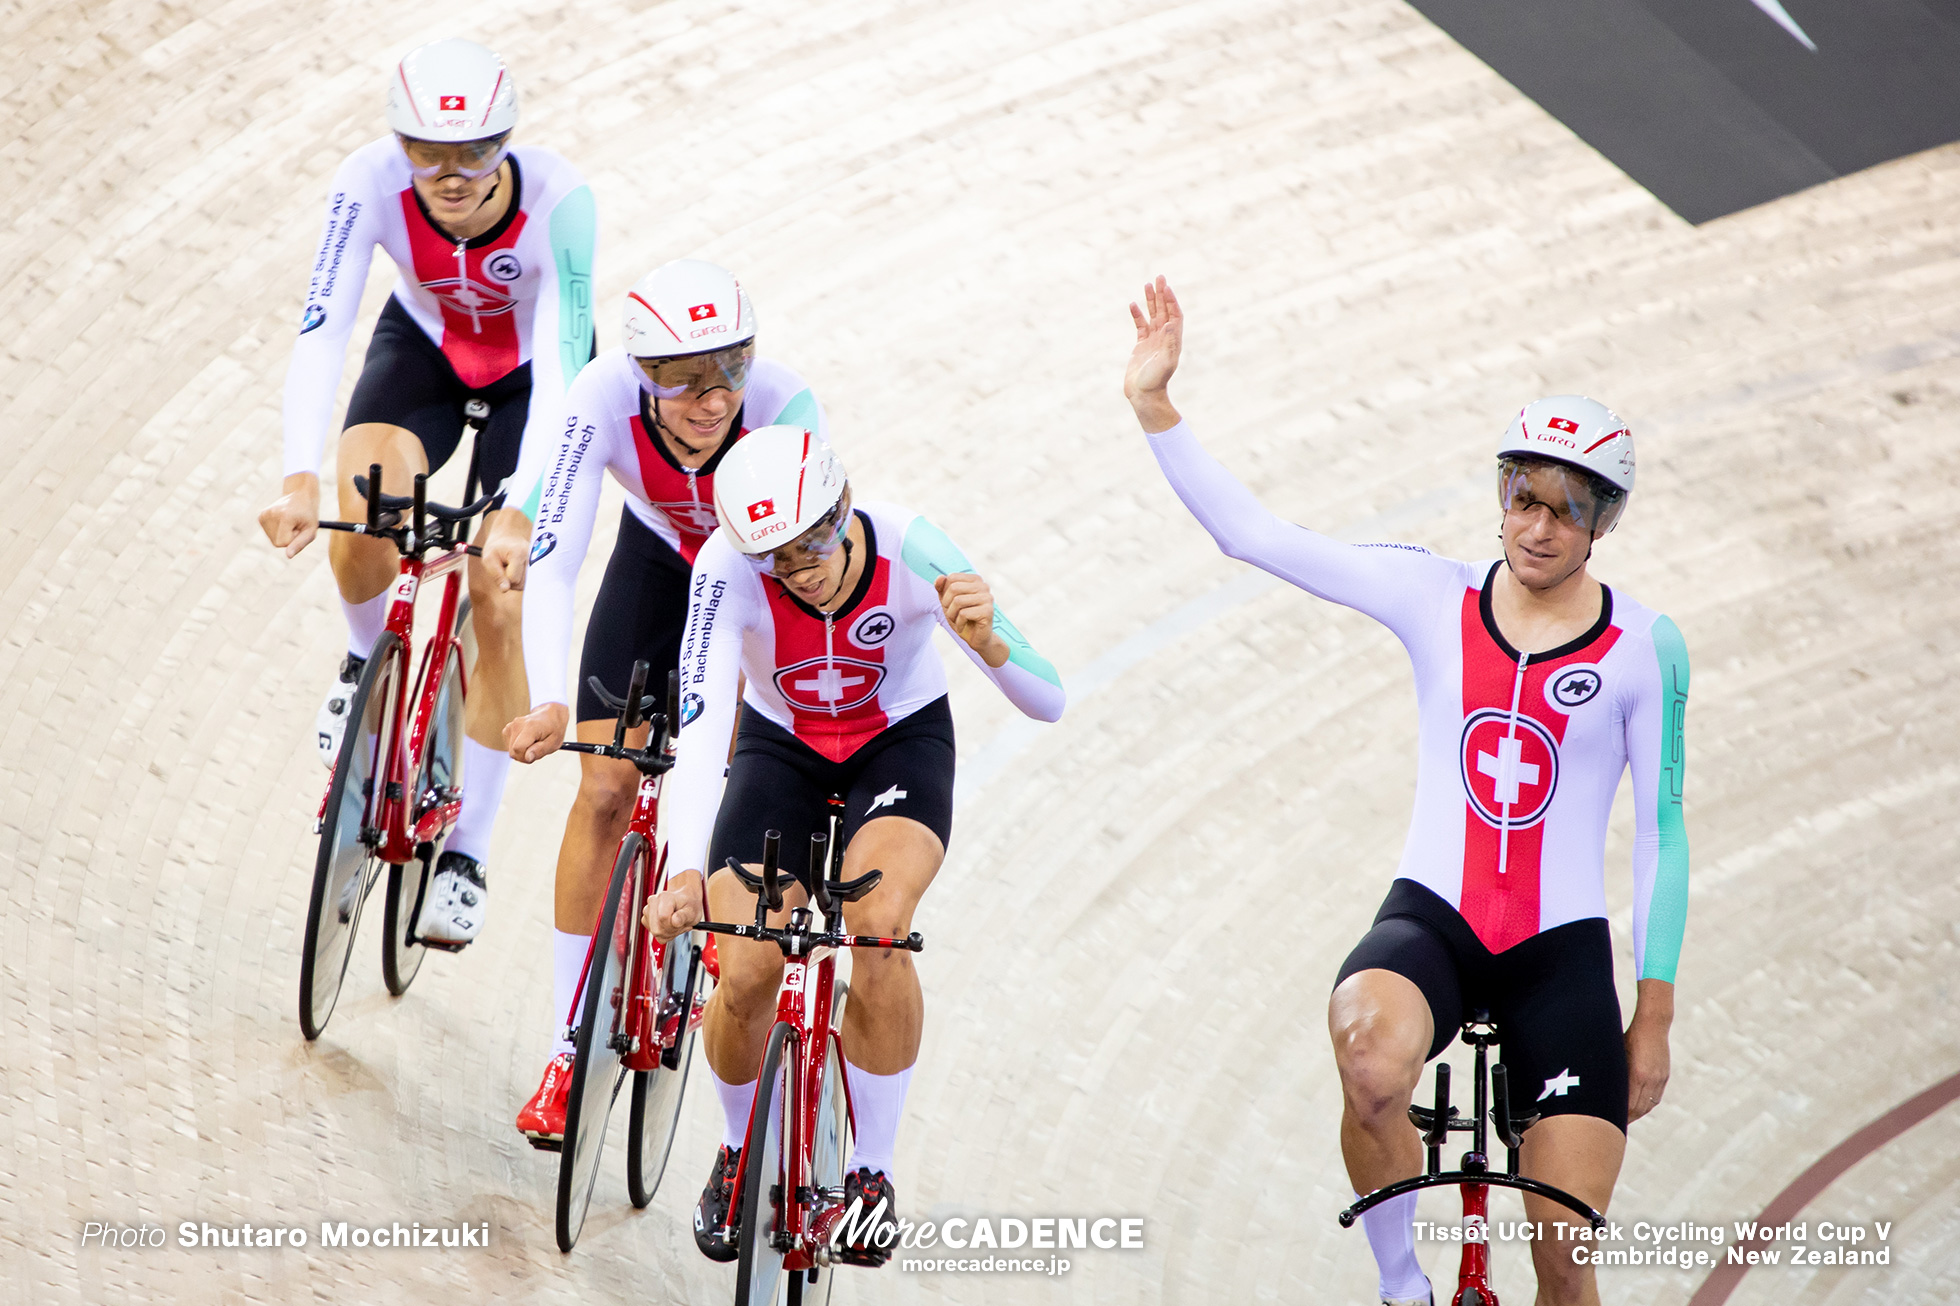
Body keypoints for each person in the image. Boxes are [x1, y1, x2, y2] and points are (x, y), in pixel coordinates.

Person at [1124, 278, 1688, 1306]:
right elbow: (1256, 536)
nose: (1539, 525)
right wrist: (1156, 407)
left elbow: (1662, 834)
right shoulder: (1433, 595)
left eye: (1569, 507)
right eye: (1524, 494)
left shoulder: (1644, 649)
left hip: (1557, 953)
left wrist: (1649, 1017)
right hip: (1436, 916)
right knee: (1368, 1057)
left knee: (1564, 1249)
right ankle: (1401, 1289)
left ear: (1603, 523)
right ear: (1500, 494)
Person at [636, 425, 1065, 1265]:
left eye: (815, 543)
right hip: (779, 748)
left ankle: (870, 1175)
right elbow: (699, 721)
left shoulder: (912, 545)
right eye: (777, 561)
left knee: (879, 925)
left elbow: (1048, 699)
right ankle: (735, 1151)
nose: (802, 572)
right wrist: (685, 866)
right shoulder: (726, 572)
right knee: (748, 961)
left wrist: (991, 646)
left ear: (844, 505)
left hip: (898, 743)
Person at [256, 38, 597, 947]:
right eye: (427, 154)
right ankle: (368, 667)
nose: (450, 175)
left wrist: (521, 509)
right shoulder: (365, 180)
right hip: (427, 350)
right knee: (362, 502)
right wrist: (298, 474)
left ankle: (469, 853)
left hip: (537, 379)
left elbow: (569, 365)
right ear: (399, 144)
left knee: (499, 589)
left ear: (508, 142)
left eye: (475, 153)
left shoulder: (561, 199)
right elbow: (323, 326)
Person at [495, 260, 825, 1146]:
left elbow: (806, 563)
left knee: (722, 764)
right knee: (604, 790)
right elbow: (557, 557)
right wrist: (553, 699)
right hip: (651, 568)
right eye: (684, 379)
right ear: (643, 375)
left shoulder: (786, 406)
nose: (713, 398)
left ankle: (702, 894)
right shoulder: (601, 395)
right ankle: (570, 1045)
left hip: (754, 589)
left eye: (732, 368)